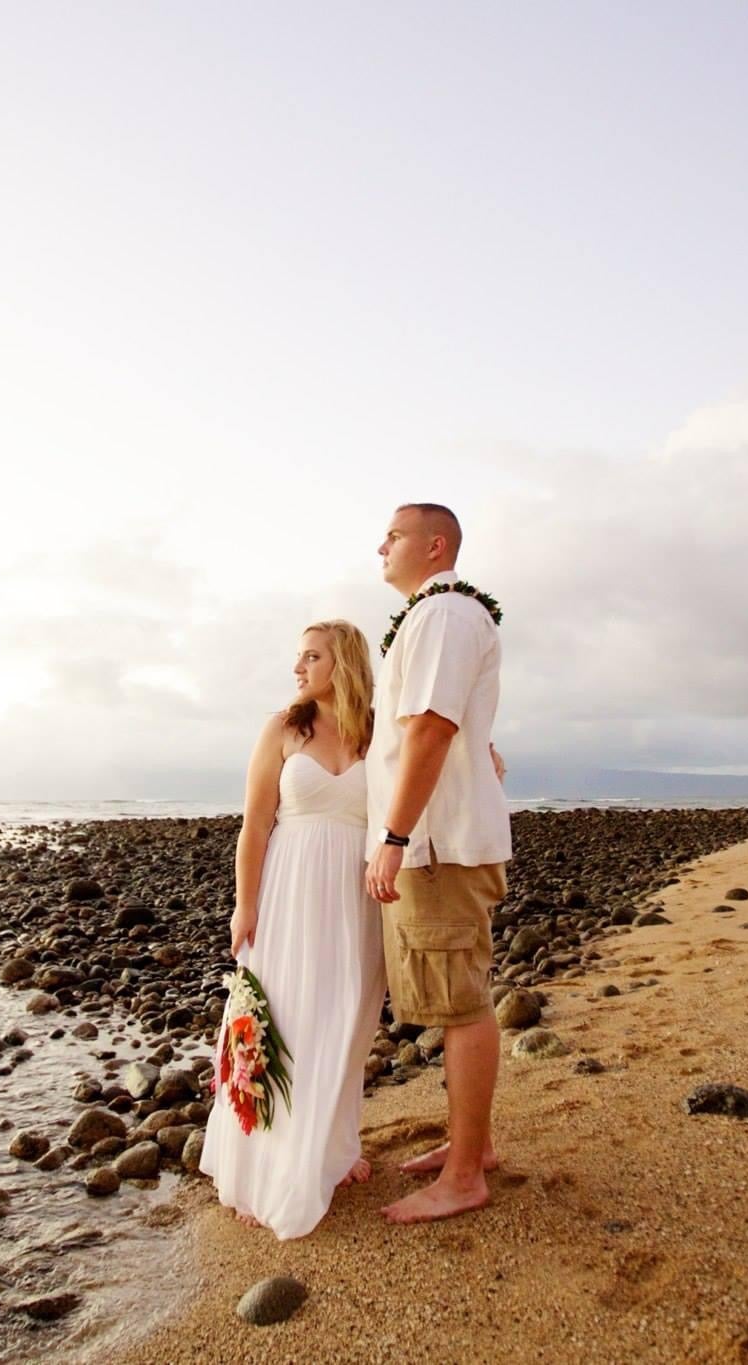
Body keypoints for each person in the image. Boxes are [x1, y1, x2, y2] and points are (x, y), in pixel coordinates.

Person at [198, 619, 387, 1239]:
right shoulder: (282, 728)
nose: (299, 668)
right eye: (298, 657)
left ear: (345, 663)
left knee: (344, 1021)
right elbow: (255, 826)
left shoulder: (376, 730)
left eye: (311, 656)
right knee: (280, 1021)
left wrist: (485, 756)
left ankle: (332, 1149)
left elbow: (432, 762)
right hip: (288, 892)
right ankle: (263, 1167)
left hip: (355, 900)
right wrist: (242, 906)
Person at [365, 502, 512, 1225]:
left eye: (392, 534)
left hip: (437, 843)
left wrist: (395, 835)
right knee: (455, 996)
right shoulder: (437, 616)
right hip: (438, 836)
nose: (380, 544)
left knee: (461, 1002)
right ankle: (471, 1147)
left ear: (434, 544)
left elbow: (429, 726)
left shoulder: (445, 612)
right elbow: (455, 731)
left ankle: (464, 1174)